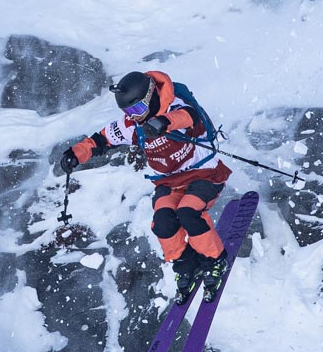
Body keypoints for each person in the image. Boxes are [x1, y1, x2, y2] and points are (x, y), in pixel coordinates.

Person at [57, 69, 231, 299]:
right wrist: (76, 154)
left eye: (138, 109)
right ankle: (186, 265)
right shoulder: (133, 124)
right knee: (163, 222)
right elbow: (101, 140)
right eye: (128, 111)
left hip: (203, 174)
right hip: (169, 182)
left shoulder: (174, 106)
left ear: (150, 96)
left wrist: (164, 123)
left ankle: (214, 260)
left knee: (189, 212)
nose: (135, 116)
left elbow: (189, 117)